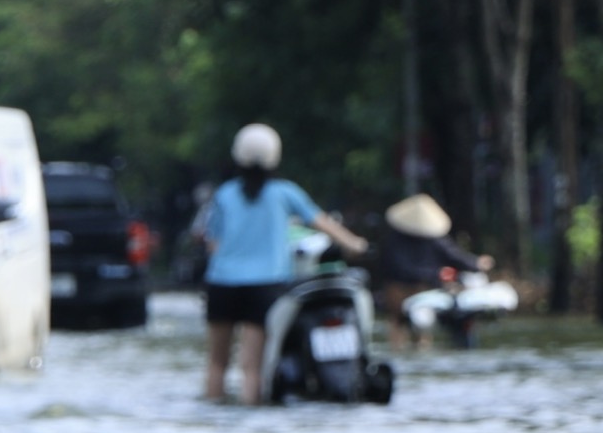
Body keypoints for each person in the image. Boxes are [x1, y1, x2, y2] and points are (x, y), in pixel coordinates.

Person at [193, 123, 366, 405]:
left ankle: (214, 416)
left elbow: (212, 243)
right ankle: (252, 418)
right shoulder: (285, 193)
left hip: (222, 283)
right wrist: (355, 244)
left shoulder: (225, 194)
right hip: (264, 286)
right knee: (251, 367)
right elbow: (322, 222)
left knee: (216, 363)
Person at [372, 193, 493, 349]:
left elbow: (457, 257)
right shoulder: (428, 241)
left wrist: (476, 263)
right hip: (413, 289)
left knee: (403, 323)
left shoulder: (395, 240)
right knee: (413, 326)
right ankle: (418, 347)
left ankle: (403, 350)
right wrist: (477, 263)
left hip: (408, 290)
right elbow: (457, 257)